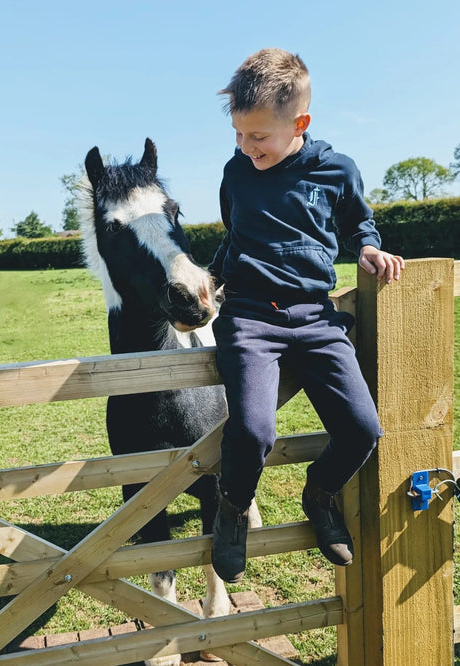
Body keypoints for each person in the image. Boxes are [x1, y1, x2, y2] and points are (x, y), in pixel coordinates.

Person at [209, 48, 404, 584]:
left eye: (259, 137)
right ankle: (233, 510)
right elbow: (236, 236)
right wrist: (210, 282)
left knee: (363, 430)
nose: (247, 149)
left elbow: (359, 222)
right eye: (240, 136)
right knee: (251, 431)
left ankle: (320, 495)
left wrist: (367, 249)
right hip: (250, 317)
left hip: (316, 317)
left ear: (300, 123)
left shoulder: (337, 169)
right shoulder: (237, 172)